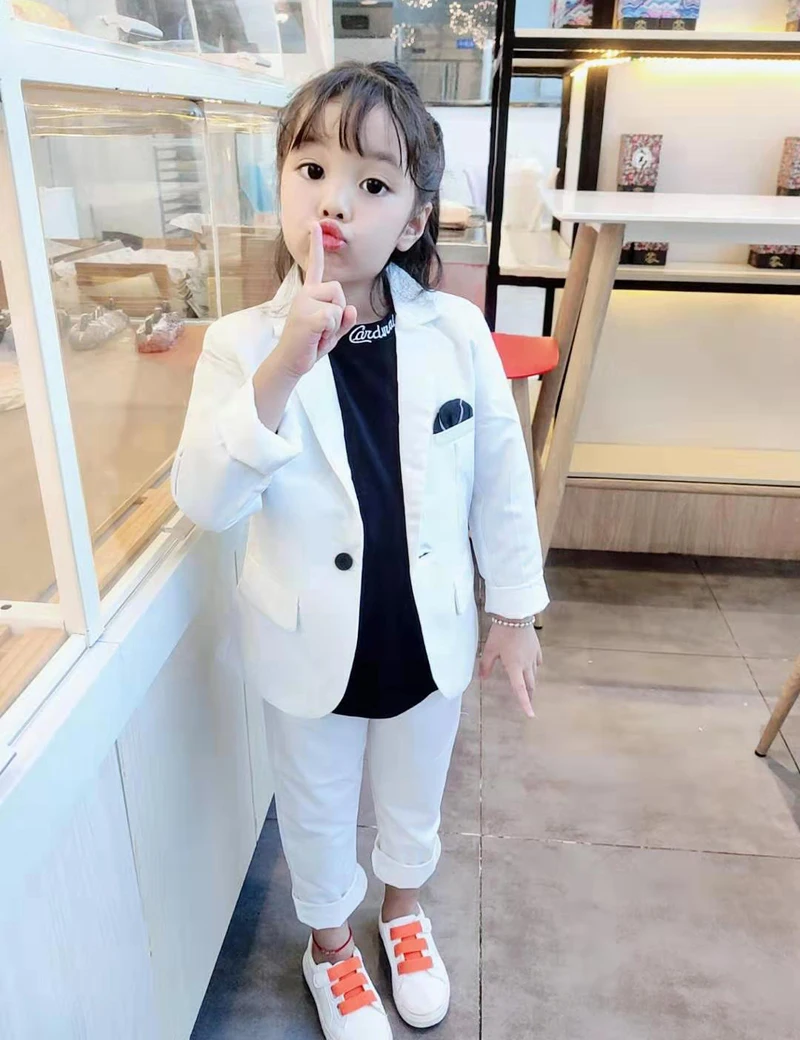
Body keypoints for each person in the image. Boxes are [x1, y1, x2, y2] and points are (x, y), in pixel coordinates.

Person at [172, 61, 548, 1040]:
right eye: (311, 170)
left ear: (413, 222)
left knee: (415, 791)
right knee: (317, 802)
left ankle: (403, 914)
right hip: (309, 638)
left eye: (371, 183)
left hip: (425, 630)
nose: (334, 201)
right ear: (280, 186)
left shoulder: (456, 332)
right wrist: (283, 364)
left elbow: (501, 477)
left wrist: (514, 608)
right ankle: (330, 946)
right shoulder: (239, 344)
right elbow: (205, 499)